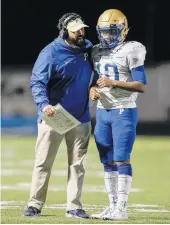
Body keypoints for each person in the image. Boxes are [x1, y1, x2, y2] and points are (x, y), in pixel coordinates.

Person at [23, 12, 93, 219]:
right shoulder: (50, 52)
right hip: (54, 116)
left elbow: (97, 72)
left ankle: (74, 206)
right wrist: (44, 105)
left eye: (82, 29)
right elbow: (37, 82)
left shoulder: (88, 48)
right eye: (76, 30)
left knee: (78, 165)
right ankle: (34, 204)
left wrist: (96, 86)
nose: (81, 33)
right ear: (65, 31)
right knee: (43, 162)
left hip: (81, 117)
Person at [90, 9, 147, 220]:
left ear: (123, 30)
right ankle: (112, 206)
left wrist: (114, 82)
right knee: (107, 161)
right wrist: (92, 90)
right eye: (104, 32)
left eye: (112, 31)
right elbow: (95, 80)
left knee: (122, 159)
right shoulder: (97, 51)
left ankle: (122, 208)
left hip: (123, 110)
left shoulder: (133, 49)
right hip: (103, 111)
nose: (108, 36)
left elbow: (140, 85)